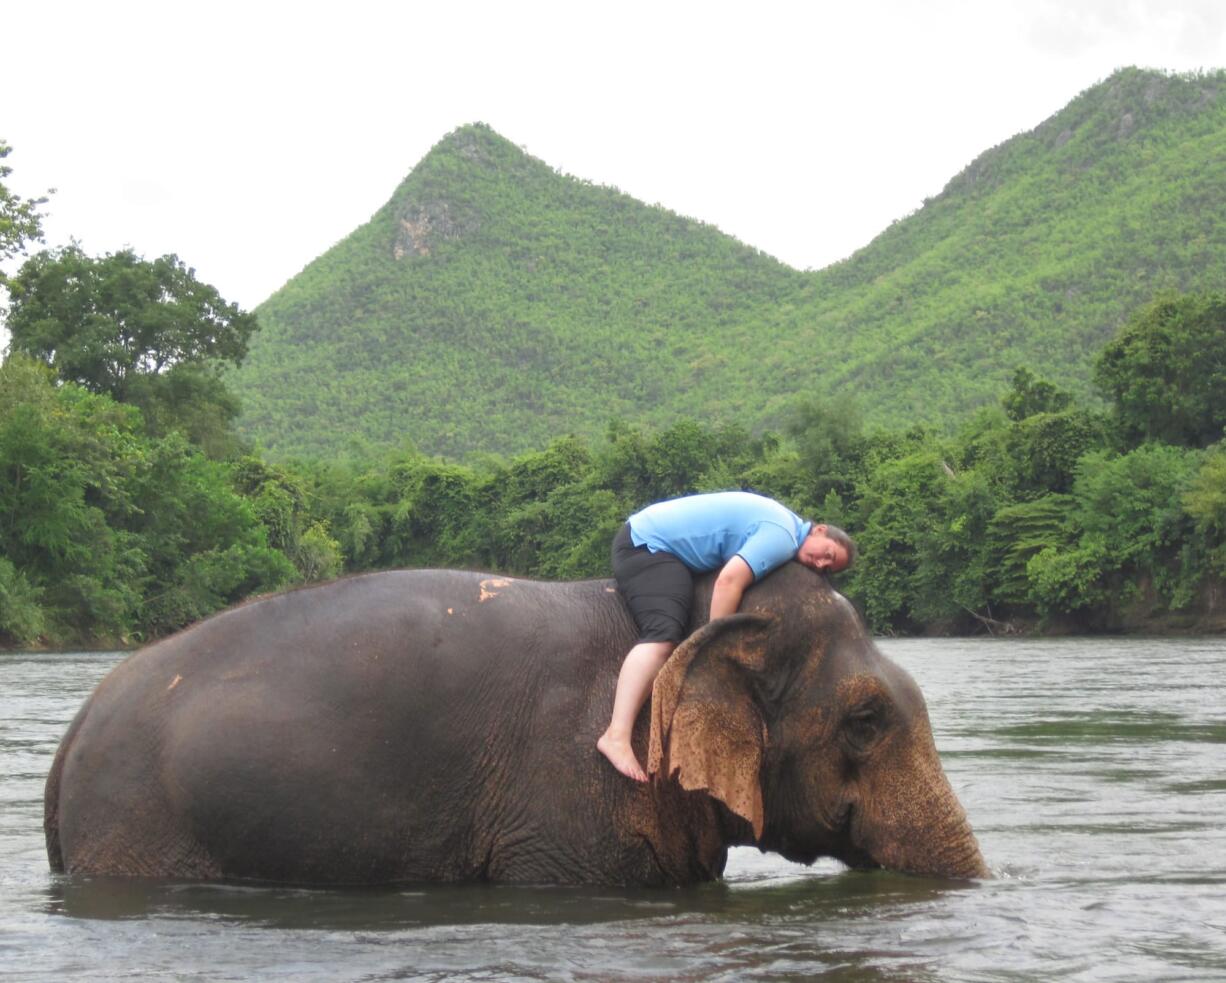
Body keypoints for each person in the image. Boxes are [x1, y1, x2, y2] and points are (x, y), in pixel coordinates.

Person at [597, 490, 855, 782]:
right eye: (828, 554)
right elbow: (728, 582)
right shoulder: (782, 537)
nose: (821, 565)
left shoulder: (784, 525)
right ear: (819, 530)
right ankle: (615, 735)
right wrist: (716, 652)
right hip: (645, 546)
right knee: (663, 637)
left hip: (658, 545)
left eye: (829, 568)